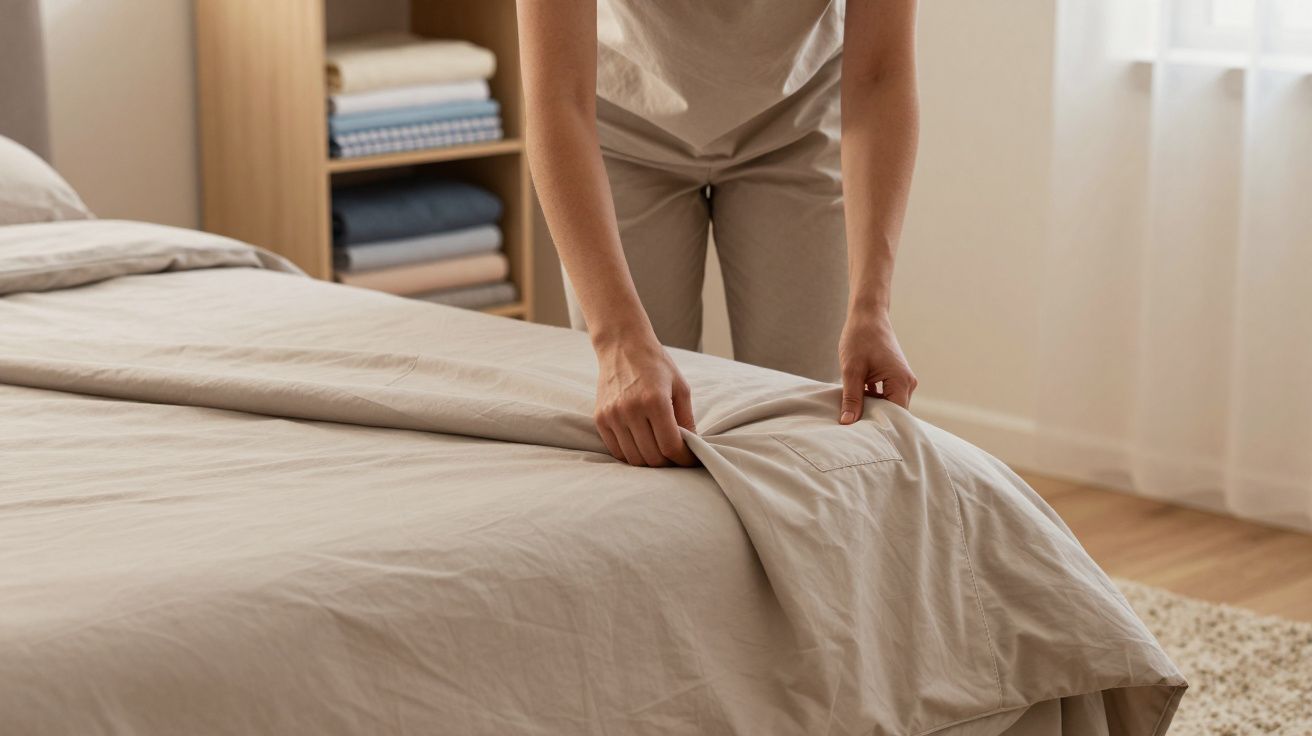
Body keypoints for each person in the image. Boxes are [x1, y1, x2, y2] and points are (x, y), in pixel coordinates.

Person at [517, 0, 919, 467]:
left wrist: (873, 307)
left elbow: (879, 76)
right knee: (644, 432)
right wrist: (615, 340)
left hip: (798, 120)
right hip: (623, 123)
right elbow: (556, 94)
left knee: (810, 437)